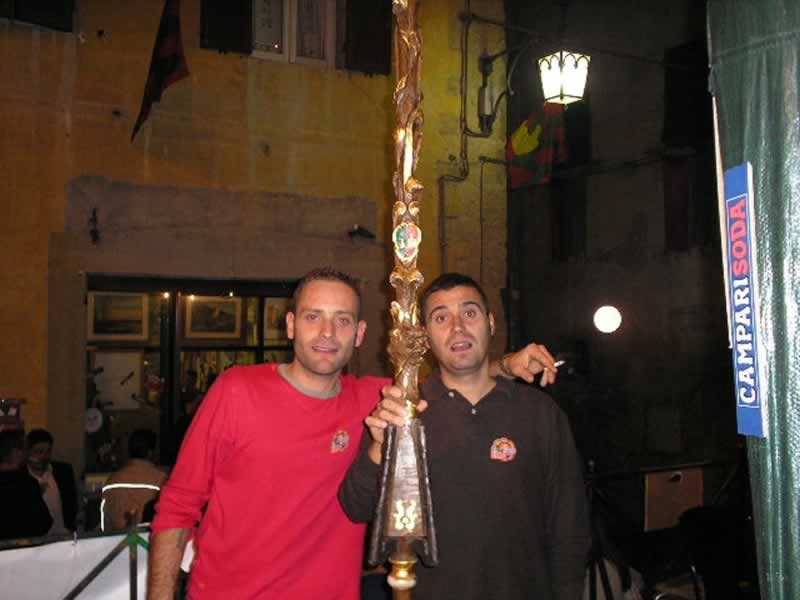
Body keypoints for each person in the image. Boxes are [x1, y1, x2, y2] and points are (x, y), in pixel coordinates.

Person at [149, 267, 557, 600]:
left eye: (342, 320)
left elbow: (450, 383)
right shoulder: (237, 390)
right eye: (313, 317)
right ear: (290, 325)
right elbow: (178, 507)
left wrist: (506, 365)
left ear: (360, 334)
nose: (327, 333)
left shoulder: (374, 400)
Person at [339, 272, 591, 600]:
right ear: (425, 336)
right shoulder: (403, 412)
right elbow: (356, 508)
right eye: (441, 317)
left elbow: (569, 527)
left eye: (469, 313)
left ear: (490, 323)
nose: (457, 327)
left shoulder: (539, 413)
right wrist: (378, 449)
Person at [102, 429, 168, 531]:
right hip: (149, 538)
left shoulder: (112, 480)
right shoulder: (162, 480)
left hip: (117, 540)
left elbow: (105, 524)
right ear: (150, 452)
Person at [0, 429, 53, 540]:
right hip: (22, 546)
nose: (27, 453)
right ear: (16, 453)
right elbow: (44, 523)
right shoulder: (28, 484)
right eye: (25, 449)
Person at [26, 428, 78, 535]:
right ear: (28, 452)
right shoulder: (20, 478)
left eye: (48, 451)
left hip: (63, 535)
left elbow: (72, 502)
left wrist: (70, 527)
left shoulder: (63, 471)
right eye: (39, 452)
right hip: (37, 539)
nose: (44, 457)